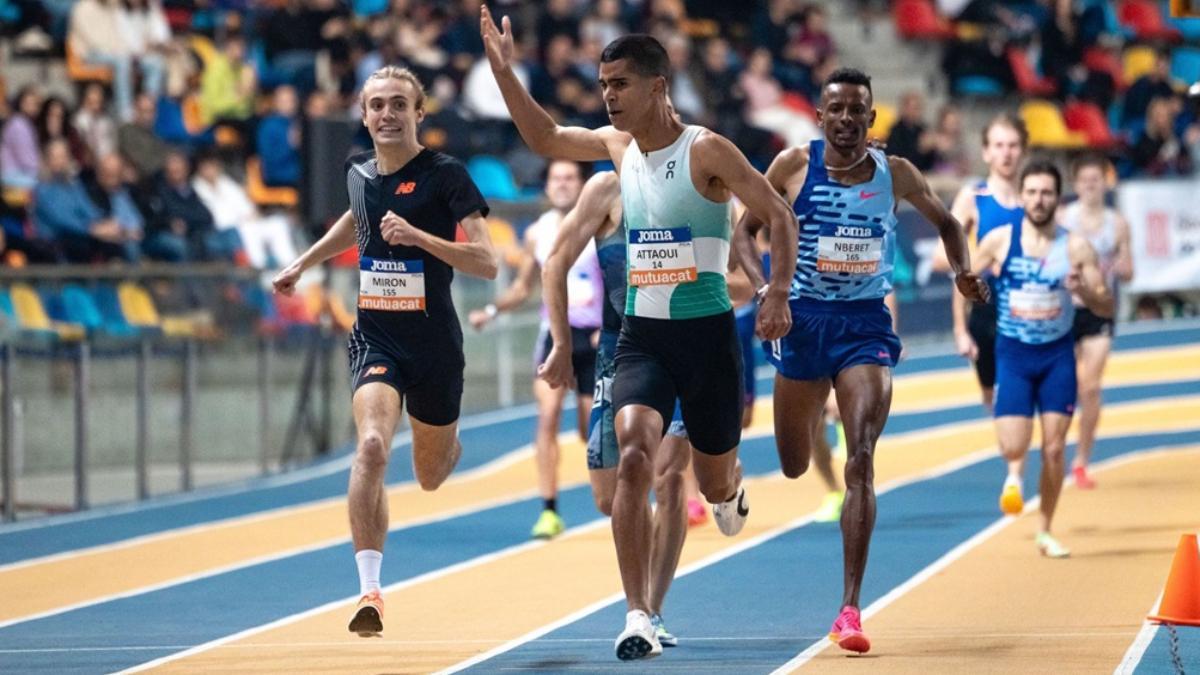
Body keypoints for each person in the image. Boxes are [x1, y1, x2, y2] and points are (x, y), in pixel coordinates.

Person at [482, 8, 798, 660]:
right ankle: (637, 615)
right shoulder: (615, 148)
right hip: (643, 339)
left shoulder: (707, 149)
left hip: (707, 340)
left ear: (658, 86)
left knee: (710, 485)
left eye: (620, 84)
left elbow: (778, 213)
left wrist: (777, 291)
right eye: (602, 85)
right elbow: (542, 135)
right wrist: (503, 70)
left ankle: (730, 483)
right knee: (633, 454)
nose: (608, 96)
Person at [732, 67, 989, 655]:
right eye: (836, 109)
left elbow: (948, 223)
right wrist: (771, 290)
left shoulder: (895, 173)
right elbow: (744, 234)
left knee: (862, 459)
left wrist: (961, 272)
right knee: (794, 464)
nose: (847, 119)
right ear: (820, 117)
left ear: (873, 120)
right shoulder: (793, 167)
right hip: (802, 324)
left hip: (866, 326)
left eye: (857, 110)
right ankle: (732, 479)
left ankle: (849, 607)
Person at [271, 66, 497, 637]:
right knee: (371, 446)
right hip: (376, 335)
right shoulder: (359, 173)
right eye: (377, 105)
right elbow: (358, 220)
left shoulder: (447, 176)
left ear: (419, 112)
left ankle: (447, 447)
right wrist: (304, 261)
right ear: (364, 114)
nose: (388, 114)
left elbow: (488, 263)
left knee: (429, 476)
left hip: (435, 344)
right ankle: (369, 590)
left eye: (400, 104)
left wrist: (421, 238)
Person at [541, 169, 695, 648]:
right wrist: (562, 344)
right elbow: (555, 262)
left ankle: (649, 610)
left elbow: (737, 260)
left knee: (668, 478)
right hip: (618, 350)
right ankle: (645, 605)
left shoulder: (698, 176)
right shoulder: (606, 188)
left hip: (680, 346)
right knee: (612, 497)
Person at [970, 159, 1112, 558]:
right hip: (1013, 355)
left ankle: (1046, 528)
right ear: (1023, 195)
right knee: (1014, 446)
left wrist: (1084, 287)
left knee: (1053, 449)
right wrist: (968, 319)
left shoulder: (1075, 246)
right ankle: (1014, 473)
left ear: (1057, 196)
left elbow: (1106, 304)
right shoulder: (999, 240)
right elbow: (965, 284)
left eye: (1046, 192)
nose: (1038, 199)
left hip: (1056, 357)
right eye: (1031, 192)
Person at [468, 159, 603, 539]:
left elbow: (617, 280)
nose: (562, 185)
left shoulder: (599, 226)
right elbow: (523, 287)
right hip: (553, 336)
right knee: (546, 416)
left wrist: (611, 324)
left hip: (592, 337)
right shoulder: (537, 234)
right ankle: (549, 510)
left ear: (581, 185)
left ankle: (609, 496)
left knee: (589, 426)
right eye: (556, 178)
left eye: (569, 178)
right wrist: (492, 311)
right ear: (546, 187)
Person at [938, 114, 1027, 412]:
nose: (1006, 152)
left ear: (1023, 151)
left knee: (1028, 396)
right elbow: (942, 256)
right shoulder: (973, 197)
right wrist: (982, 262)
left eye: (1013, 145)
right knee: (994, 400)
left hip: (1029, 308)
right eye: (999, 145)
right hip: (987, 312)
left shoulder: (1036, 198)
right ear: (986, 152)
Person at [1061, 155, 1133, 489]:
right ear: (1076, 186)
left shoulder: (1117, 223)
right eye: (1085, 180)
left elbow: (1130, 271)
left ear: (1105, 183)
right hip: (1067, 309)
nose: (1091, 186)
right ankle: (1059, 448)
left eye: (1097, 180)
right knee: (1067, 386)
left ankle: (1081, 461)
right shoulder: (1065, 218)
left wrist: (1120, 268)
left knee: (1090, 386)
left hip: (1100, 310)